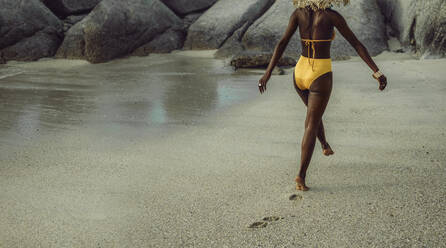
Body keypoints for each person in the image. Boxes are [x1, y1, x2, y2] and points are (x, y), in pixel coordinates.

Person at [258, 0, 388, 191]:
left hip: (299, 72)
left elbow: (282, 43)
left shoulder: (298, 14)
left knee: (313, 116)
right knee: (311, 122)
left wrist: (267, 74)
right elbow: (357, 45)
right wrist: (377, 72)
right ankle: (301, 176)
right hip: (319, 73)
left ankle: (325, 144)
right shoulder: (332, 16)